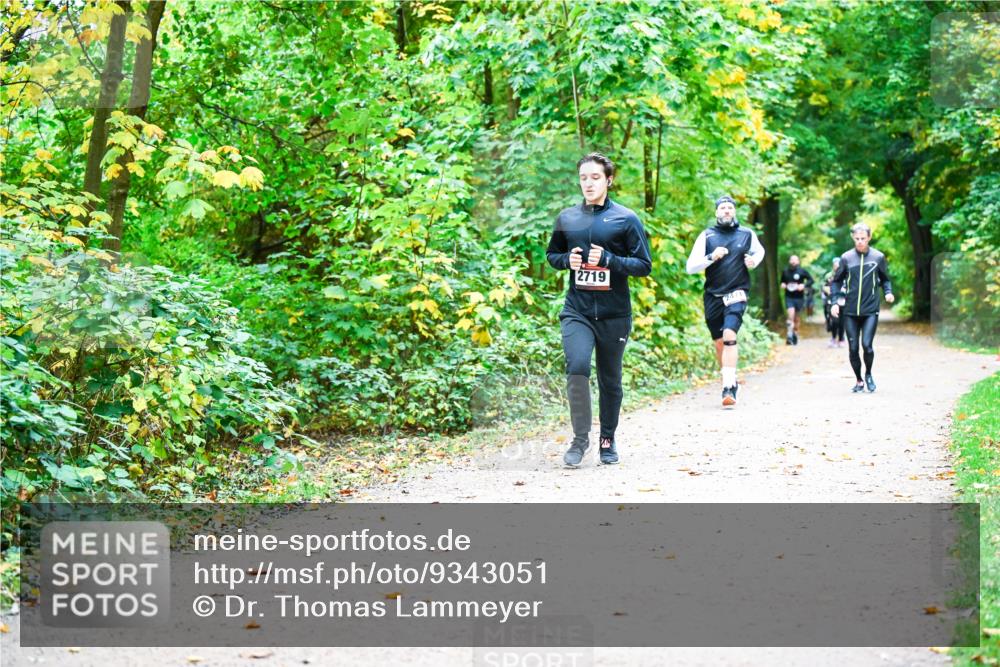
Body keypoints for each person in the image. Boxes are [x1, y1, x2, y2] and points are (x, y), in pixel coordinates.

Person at [546, 153, 652, 466]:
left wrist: (610, 260)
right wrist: (568, 261)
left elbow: (644, 265)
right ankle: (580, 441)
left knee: (610, 380)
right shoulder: (567, 218)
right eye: (583, 178)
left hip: (614, 314)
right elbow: (553, 255)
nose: (588, 183)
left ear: (608, 180)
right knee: (577, 367)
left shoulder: (626, 218)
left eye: (595, 177)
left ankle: (607, 438)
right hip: (577, 311)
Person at [686, 195, 765, 407]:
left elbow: (760, 251)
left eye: (730, 208)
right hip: (713, 295)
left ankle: (728, 387)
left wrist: (753, 260)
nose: (727, 211)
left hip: (737, 293)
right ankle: (731, 378)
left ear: (735, 211)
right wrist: (711, 257)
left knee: (729, 335)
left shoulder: (747, 234)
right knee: (720, 342)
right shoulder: (707, 236)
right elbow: (690, 267)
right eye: (723, 208)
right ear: (716, 212)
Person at [830, 223, 894, 393]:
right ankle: (858, 379)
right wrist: (835, 302)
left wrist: (888, 292)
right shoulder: (846, 258)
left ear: (869, 238)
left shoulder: (878, 257)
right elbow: (836, 282)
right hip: (850, 311)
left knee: (867, 345)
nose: (860, 242)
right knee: (852, 347)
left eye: (863, 239)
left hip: (870, 310)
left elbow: (885, 279)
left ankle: (869, 374)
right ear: (853, 238)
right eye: (857, 239)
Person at [779, 255, 813, 345]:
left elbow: (811, 280)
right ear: (789, 261)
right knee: (791, 315)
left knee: (797, 318)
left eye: (795, 260)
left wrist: (804, 286)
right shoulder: (785, 271)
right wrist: (783, 284)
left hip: (799, 298)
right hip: (789, 297)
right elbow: (782, 281)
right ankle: (789, 335)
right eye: (792, 260)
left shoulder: (802, 271)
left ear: (798, 262)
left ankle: (795, 334)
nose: (793, 262)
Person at [822, 257, 846, 348]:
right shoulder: (828, 276)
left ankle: (841, 339)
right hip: (832, 300)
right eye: (835, 265)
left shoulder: (846, 274)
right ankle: (833, 338)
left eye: (838, 265)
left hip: (844, 300)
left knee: (842, 322)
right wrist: (828, 290)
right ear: (833, 266)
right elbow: (824, 287)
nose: (837, 267)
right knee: (835, 320)